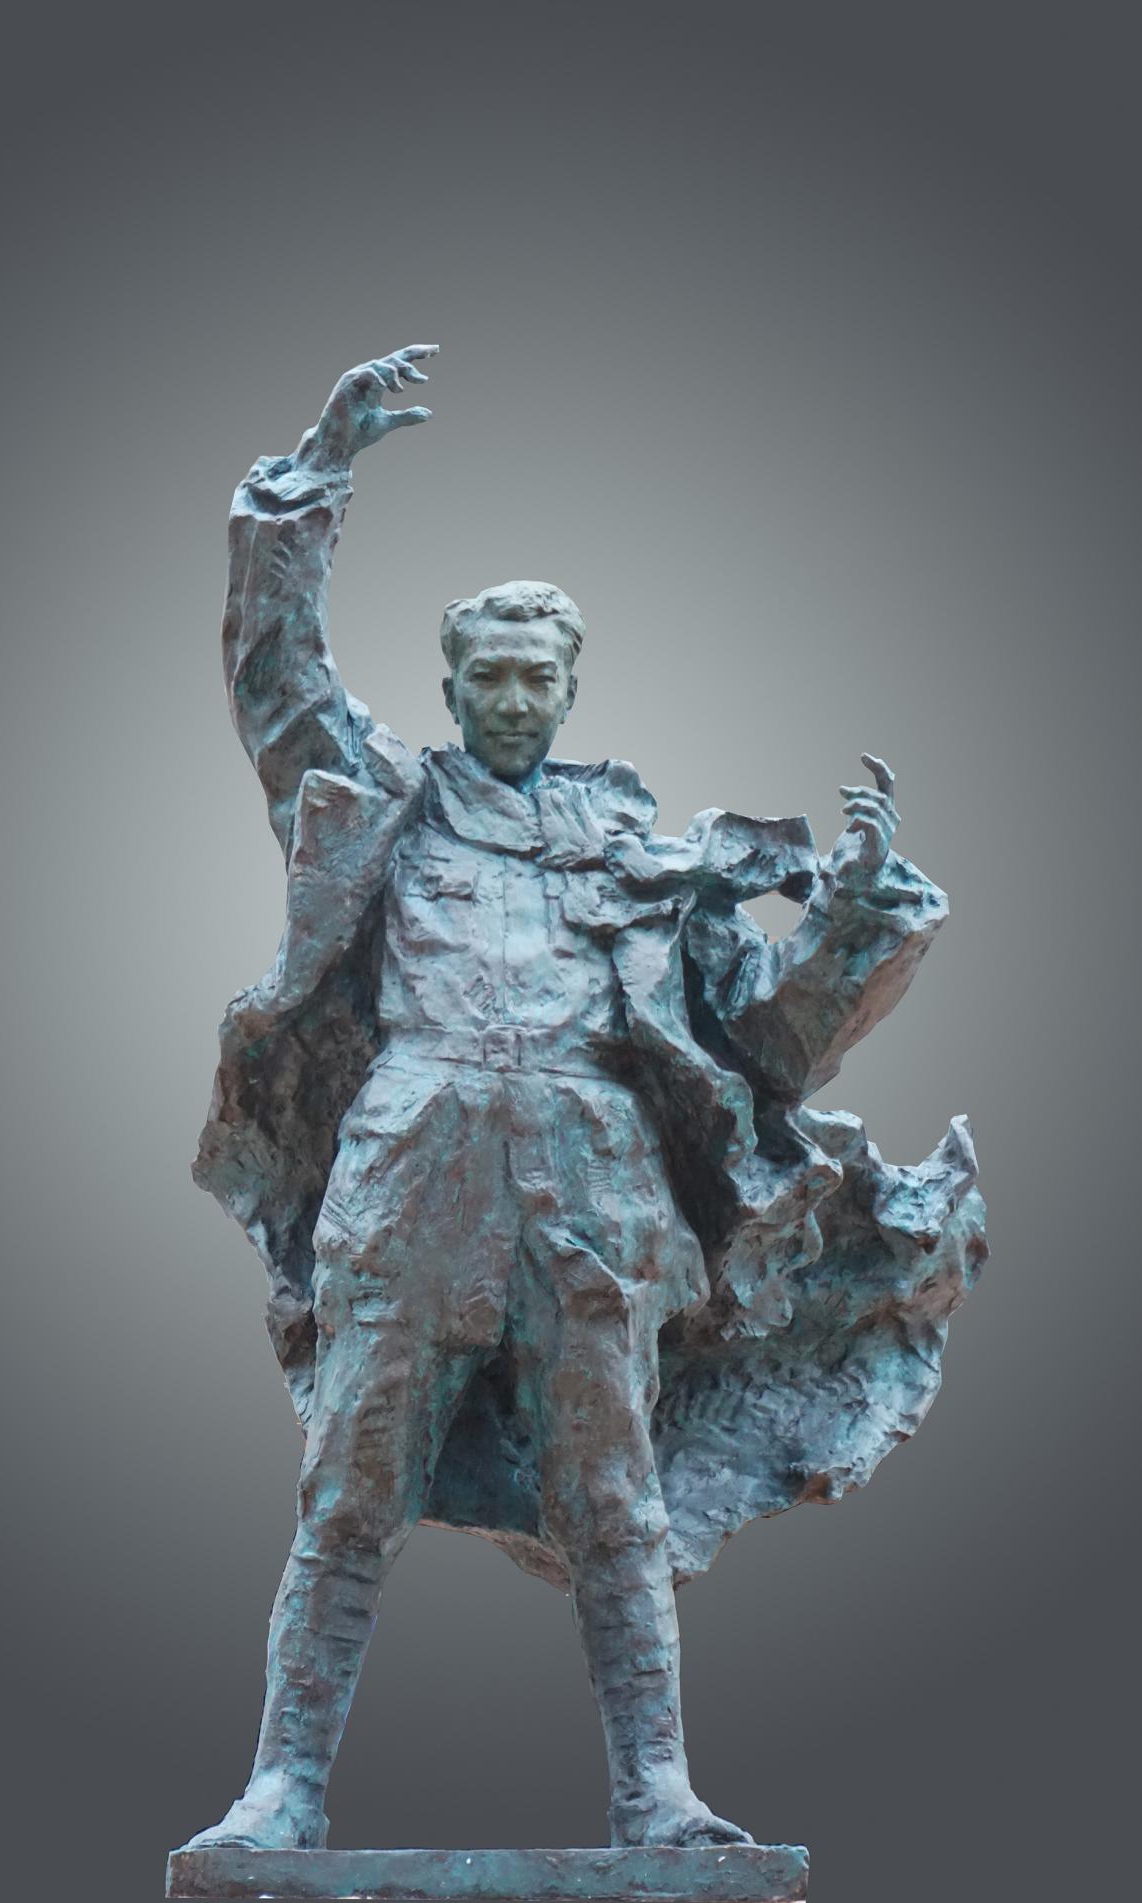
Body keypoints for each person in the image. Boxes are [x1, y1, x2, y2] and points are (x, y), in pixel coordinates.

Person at [183, 346, 984, 1853]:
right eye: (485, 677)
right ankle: (280, 1794)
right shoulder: (386, 804)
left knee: (617, 1505)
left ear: (570, 688)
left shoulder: (641, 860)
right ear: (448, 688)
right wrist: (314, 476)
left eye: (533, 677)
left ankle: (657, 1798)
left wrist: (853, 917)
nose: (509, 699)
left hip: (595, 1204)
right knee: (348, 1497)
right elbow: (276, 682)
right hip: (411, 1184)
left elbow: (766, 1043)